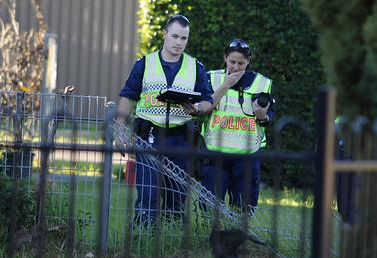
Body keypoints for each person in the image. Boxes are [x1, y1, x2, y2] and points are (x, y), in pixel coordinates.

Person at [117, 14, 213, 224]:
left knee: (177, 195)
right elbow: (127, 96)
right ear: (165, 35)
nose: (179, 42)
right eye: (175, 36)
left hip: (181, 139)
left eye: (184, 38)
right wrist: (120, 128)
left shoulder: (195, 67)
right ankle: (143, 238)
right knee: (148, 194)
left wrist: (197, 108)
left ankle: (172, 243)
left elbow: (209, 101)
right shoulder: (144, 64)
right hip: (148, 136)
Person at [200, 39, 274, 212]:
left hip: (247, 154)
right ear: (225, 58)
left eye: (241, 63)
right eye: (232, 62)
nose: (235, 67)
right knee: (209, 206)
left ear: (248, 61)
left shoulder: (262, 83)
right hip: (215, 152)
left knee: (243, 208)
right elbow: (204, 106)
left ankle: (239, 238)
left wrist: (261, 114)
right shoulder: (212, 78)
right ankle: (208, 237)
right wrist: (226, 85)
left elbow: (267, 119)